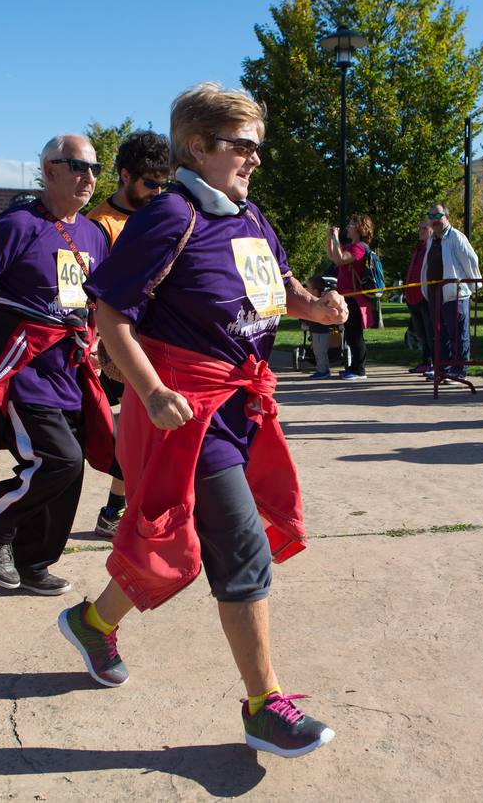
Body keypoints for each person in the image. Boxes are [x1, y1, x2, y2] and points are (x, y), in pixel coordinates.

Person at [56, 82, 344, 759]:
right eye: (243, 145)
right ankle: (262, 705)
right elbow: (111, 315)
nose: (255, 159)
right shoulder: (169, 215)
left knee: (176, 548)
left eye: (256, 146)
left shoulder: (250, 216)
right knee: (238, 544)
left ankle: (94, 622)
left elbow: (278, 288)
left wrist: (316, 309)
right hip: (184, 413)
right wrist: (151, 392)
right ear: (198, 146)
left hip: (241, 406)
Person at [0, 133, 113, 596]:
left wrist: (102, 345)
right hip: (22, 366)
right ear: (50, 170)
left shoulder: (95, 233)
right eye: (78, 166)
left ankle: (35, 560)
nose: (89, 177)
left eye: (94, 168)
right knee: (58, 459)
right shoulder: (18, 224)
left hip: (70, 368)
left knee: (71, 470)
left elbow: (99, 301)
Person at [84, 130, 171, 538]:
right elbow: (87, 291)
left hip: (157, 337)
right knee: (135, 428)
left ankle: (118, 507)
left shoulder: (161, 214)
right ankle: (117, 509)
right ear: (124, 176)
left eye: (163, 182)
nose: (158, 190)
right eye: (150, 182)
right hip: (115, 342)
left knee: (145, 428)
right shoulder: (100, 225)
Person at [422, 204, 481, 379]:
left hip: (455, 293)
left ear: (446, 217)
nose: (435, 219)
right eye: (431, 216)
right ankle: (443, 368)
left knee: (458, 333)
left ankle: (459, 370)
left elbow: (471, 260)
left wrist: (471, 285)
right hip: (435, 294)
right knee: (440, 333)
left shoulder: (456, 237)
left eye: (438, 215)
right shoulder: (432, 240)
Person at [326, 213, 376, 380]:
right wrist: (330, 238)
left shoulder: (359, 247)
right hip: (346, 295)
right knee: (350, 333)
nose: (348, 227)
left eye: (352, 225)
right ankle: (353, 367)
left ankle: (359, 370)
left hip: (355, 296)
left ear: (360, 229)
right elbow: (333, 257)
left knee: (355, 334)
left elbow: (340, 260)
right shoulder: (350, 245)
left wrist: (335, 237)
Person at [402, 220, 434, 374]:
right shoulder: (418, 248)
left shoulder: (433, 247)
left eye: (424, 228)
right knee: (422, 332)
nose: (420, 230)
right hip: (413, 297)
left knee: (431, 332)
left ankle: (434, 363)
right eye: (419, 227)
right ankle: (426, 361)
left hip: (425, 297)